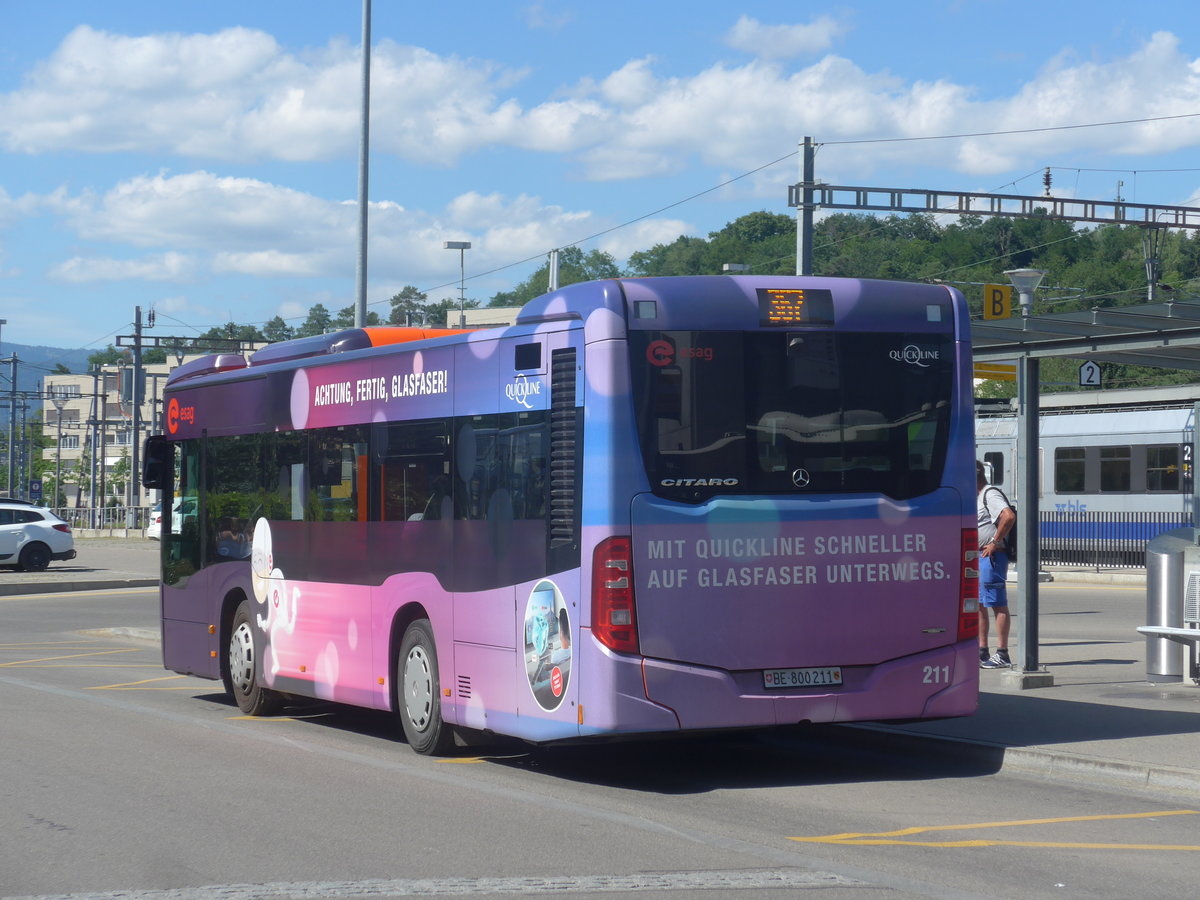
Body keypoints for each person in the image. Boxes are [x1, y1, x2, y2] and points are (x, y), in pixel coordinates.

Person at [977, 460, 1016, 669]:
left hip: (991, 557)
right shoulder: (976, 495)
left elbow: (1008, 516)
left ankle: (1002, 654)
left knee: (997, 604)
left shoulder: (989, 494)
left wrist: (993, 542)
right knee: (979, 605)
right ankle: (982, 651)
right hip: (979, 556)